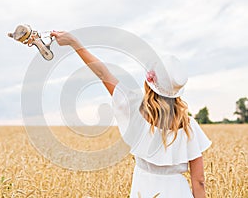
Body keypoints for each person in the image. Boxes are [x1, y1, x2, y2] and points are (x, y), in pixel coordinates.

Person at [50, 31, 212, 198]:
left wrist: (75, 43)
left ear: (149, 83)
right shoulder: (188, 126)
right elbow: (199, 181)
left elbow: (103, 73)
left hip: (144, 190)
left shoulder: (134, 108)